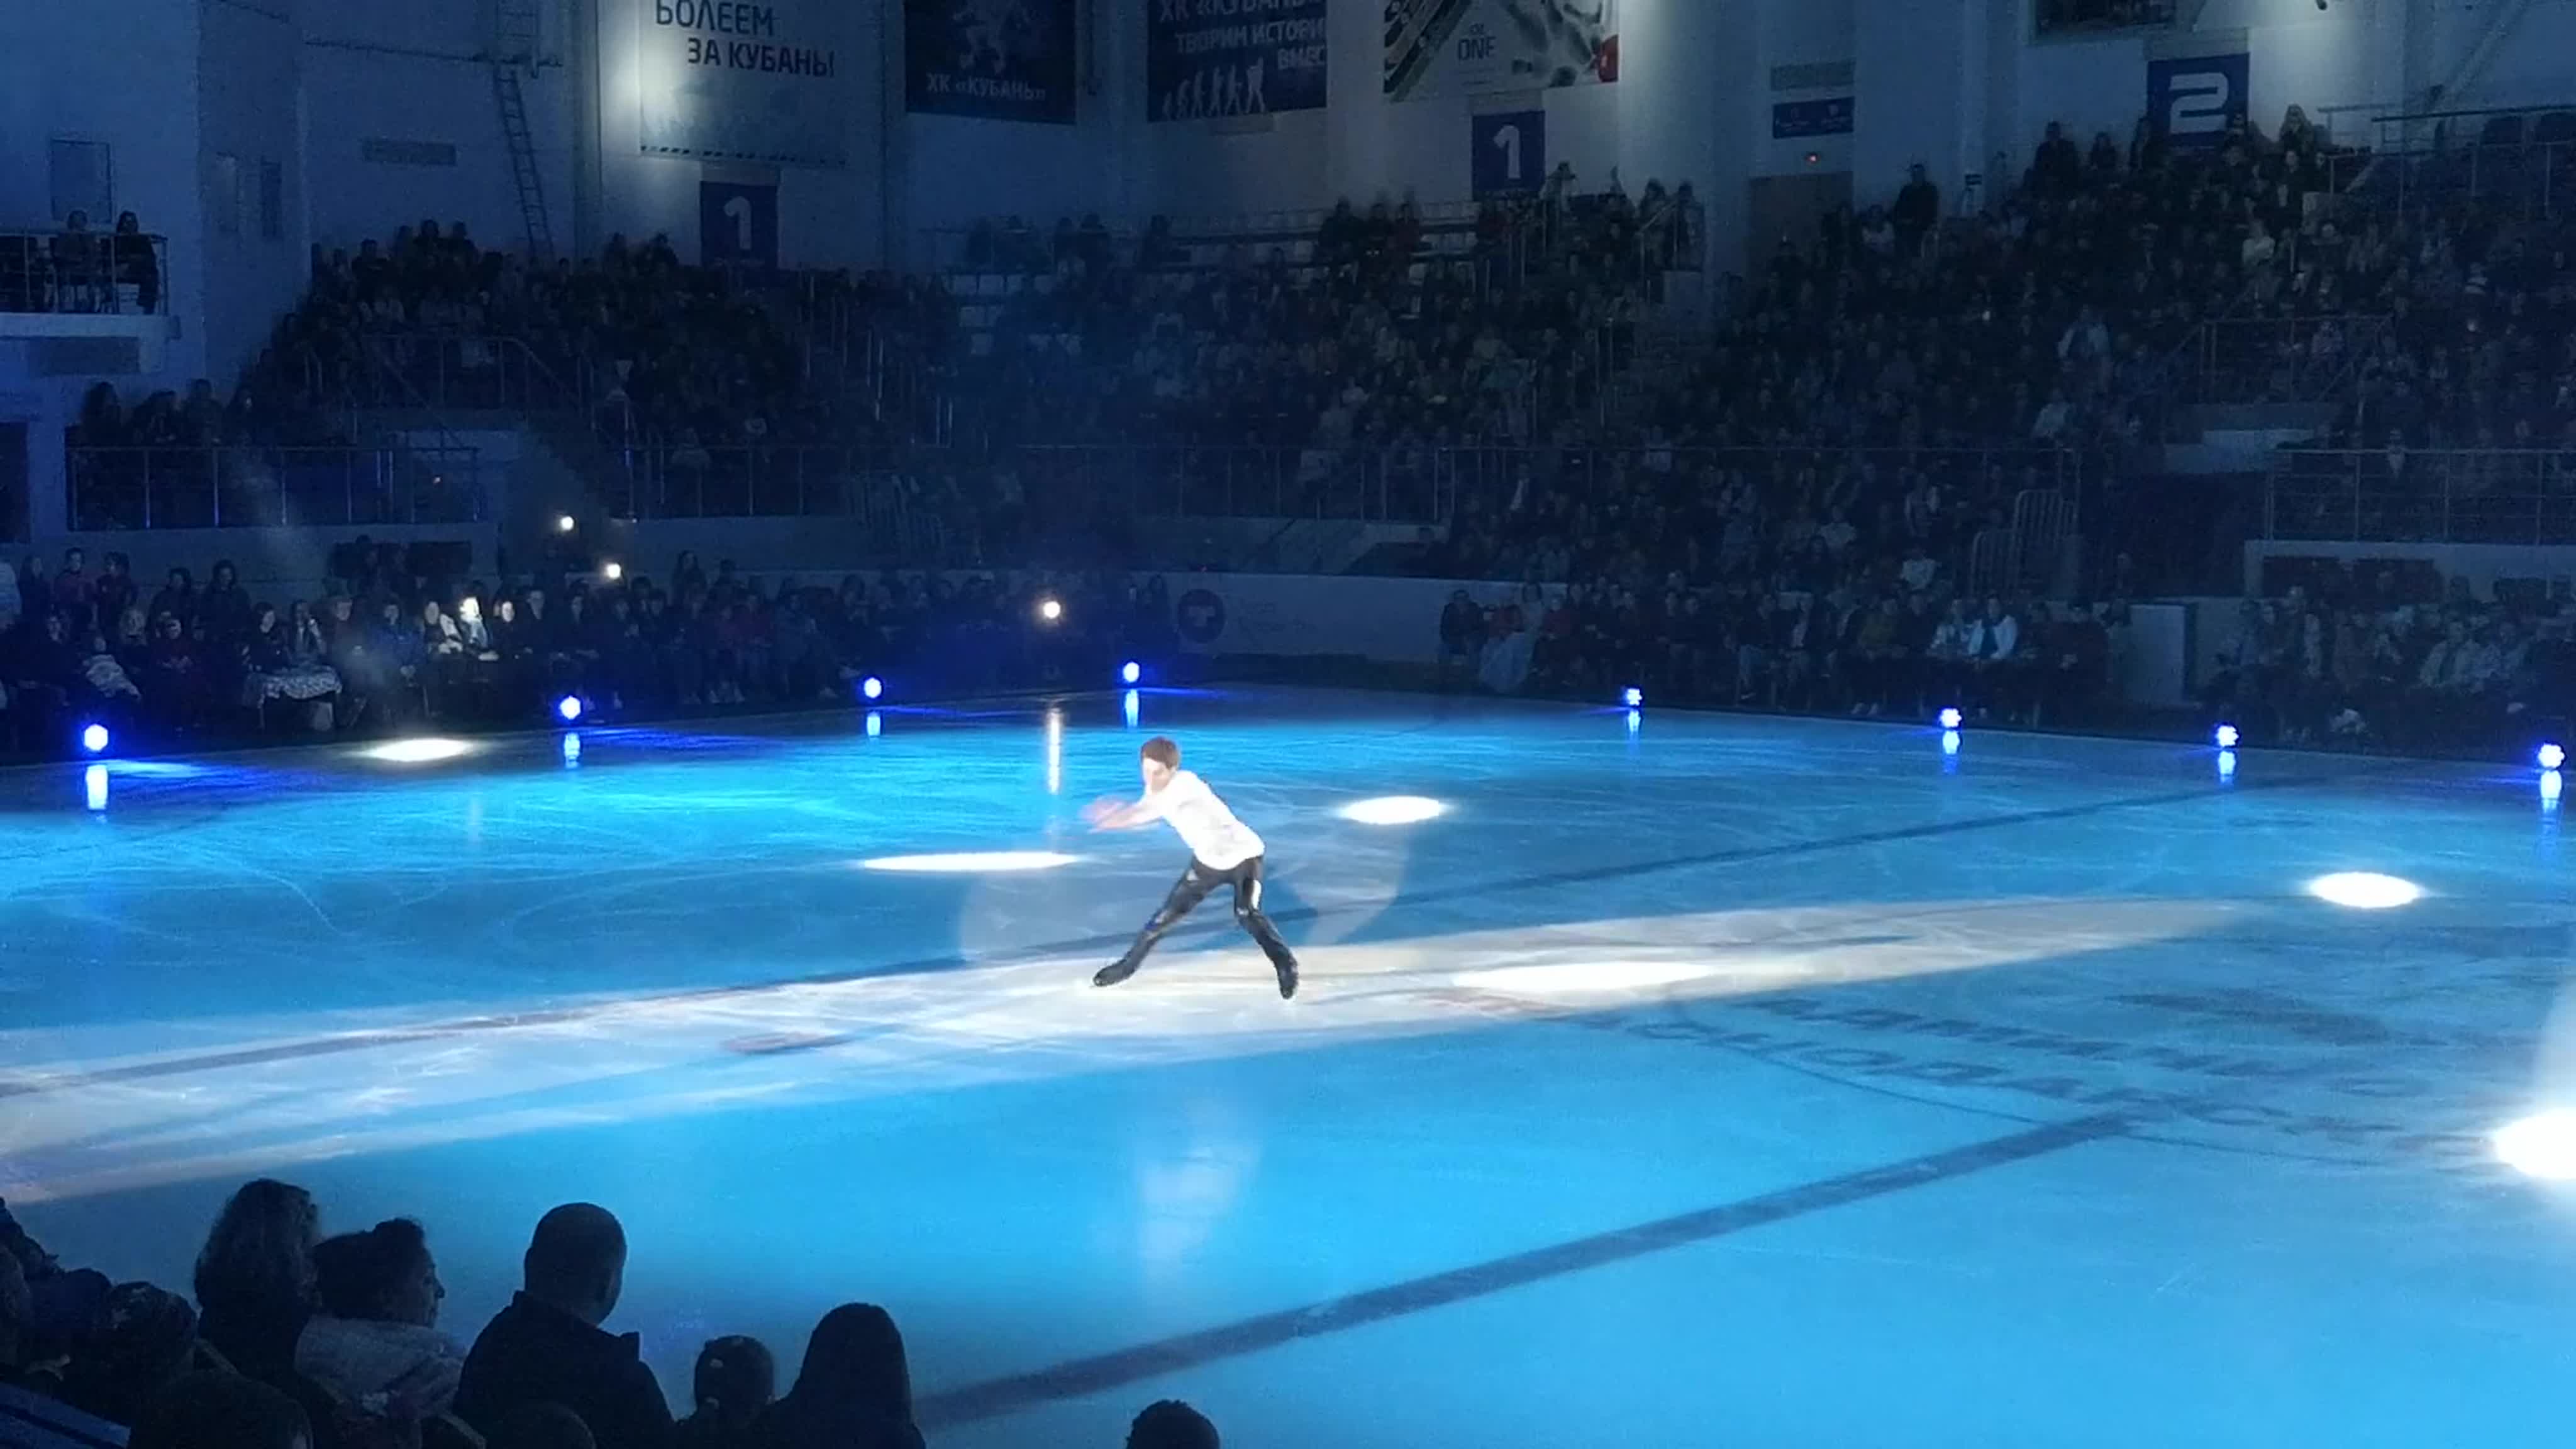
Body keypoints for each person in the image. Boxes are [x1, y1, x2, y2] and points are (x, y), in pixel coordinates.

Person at [1084, 736, 1299, 998]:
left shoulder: (1184, 783)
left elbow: (1146, 812)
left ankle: (1286, 964)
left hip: (1244, 856)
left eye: (1158, 772)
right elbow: (1145, 808)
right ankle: (1127, 967)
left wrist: (1118, 818)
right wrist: (1119, 817)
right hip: (1208, 862)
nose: (1152, 779)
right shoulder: (1156, 790)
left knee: (1246, 912)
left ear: (1172, 770)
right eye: (1146, 771)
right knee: (1163, 919)